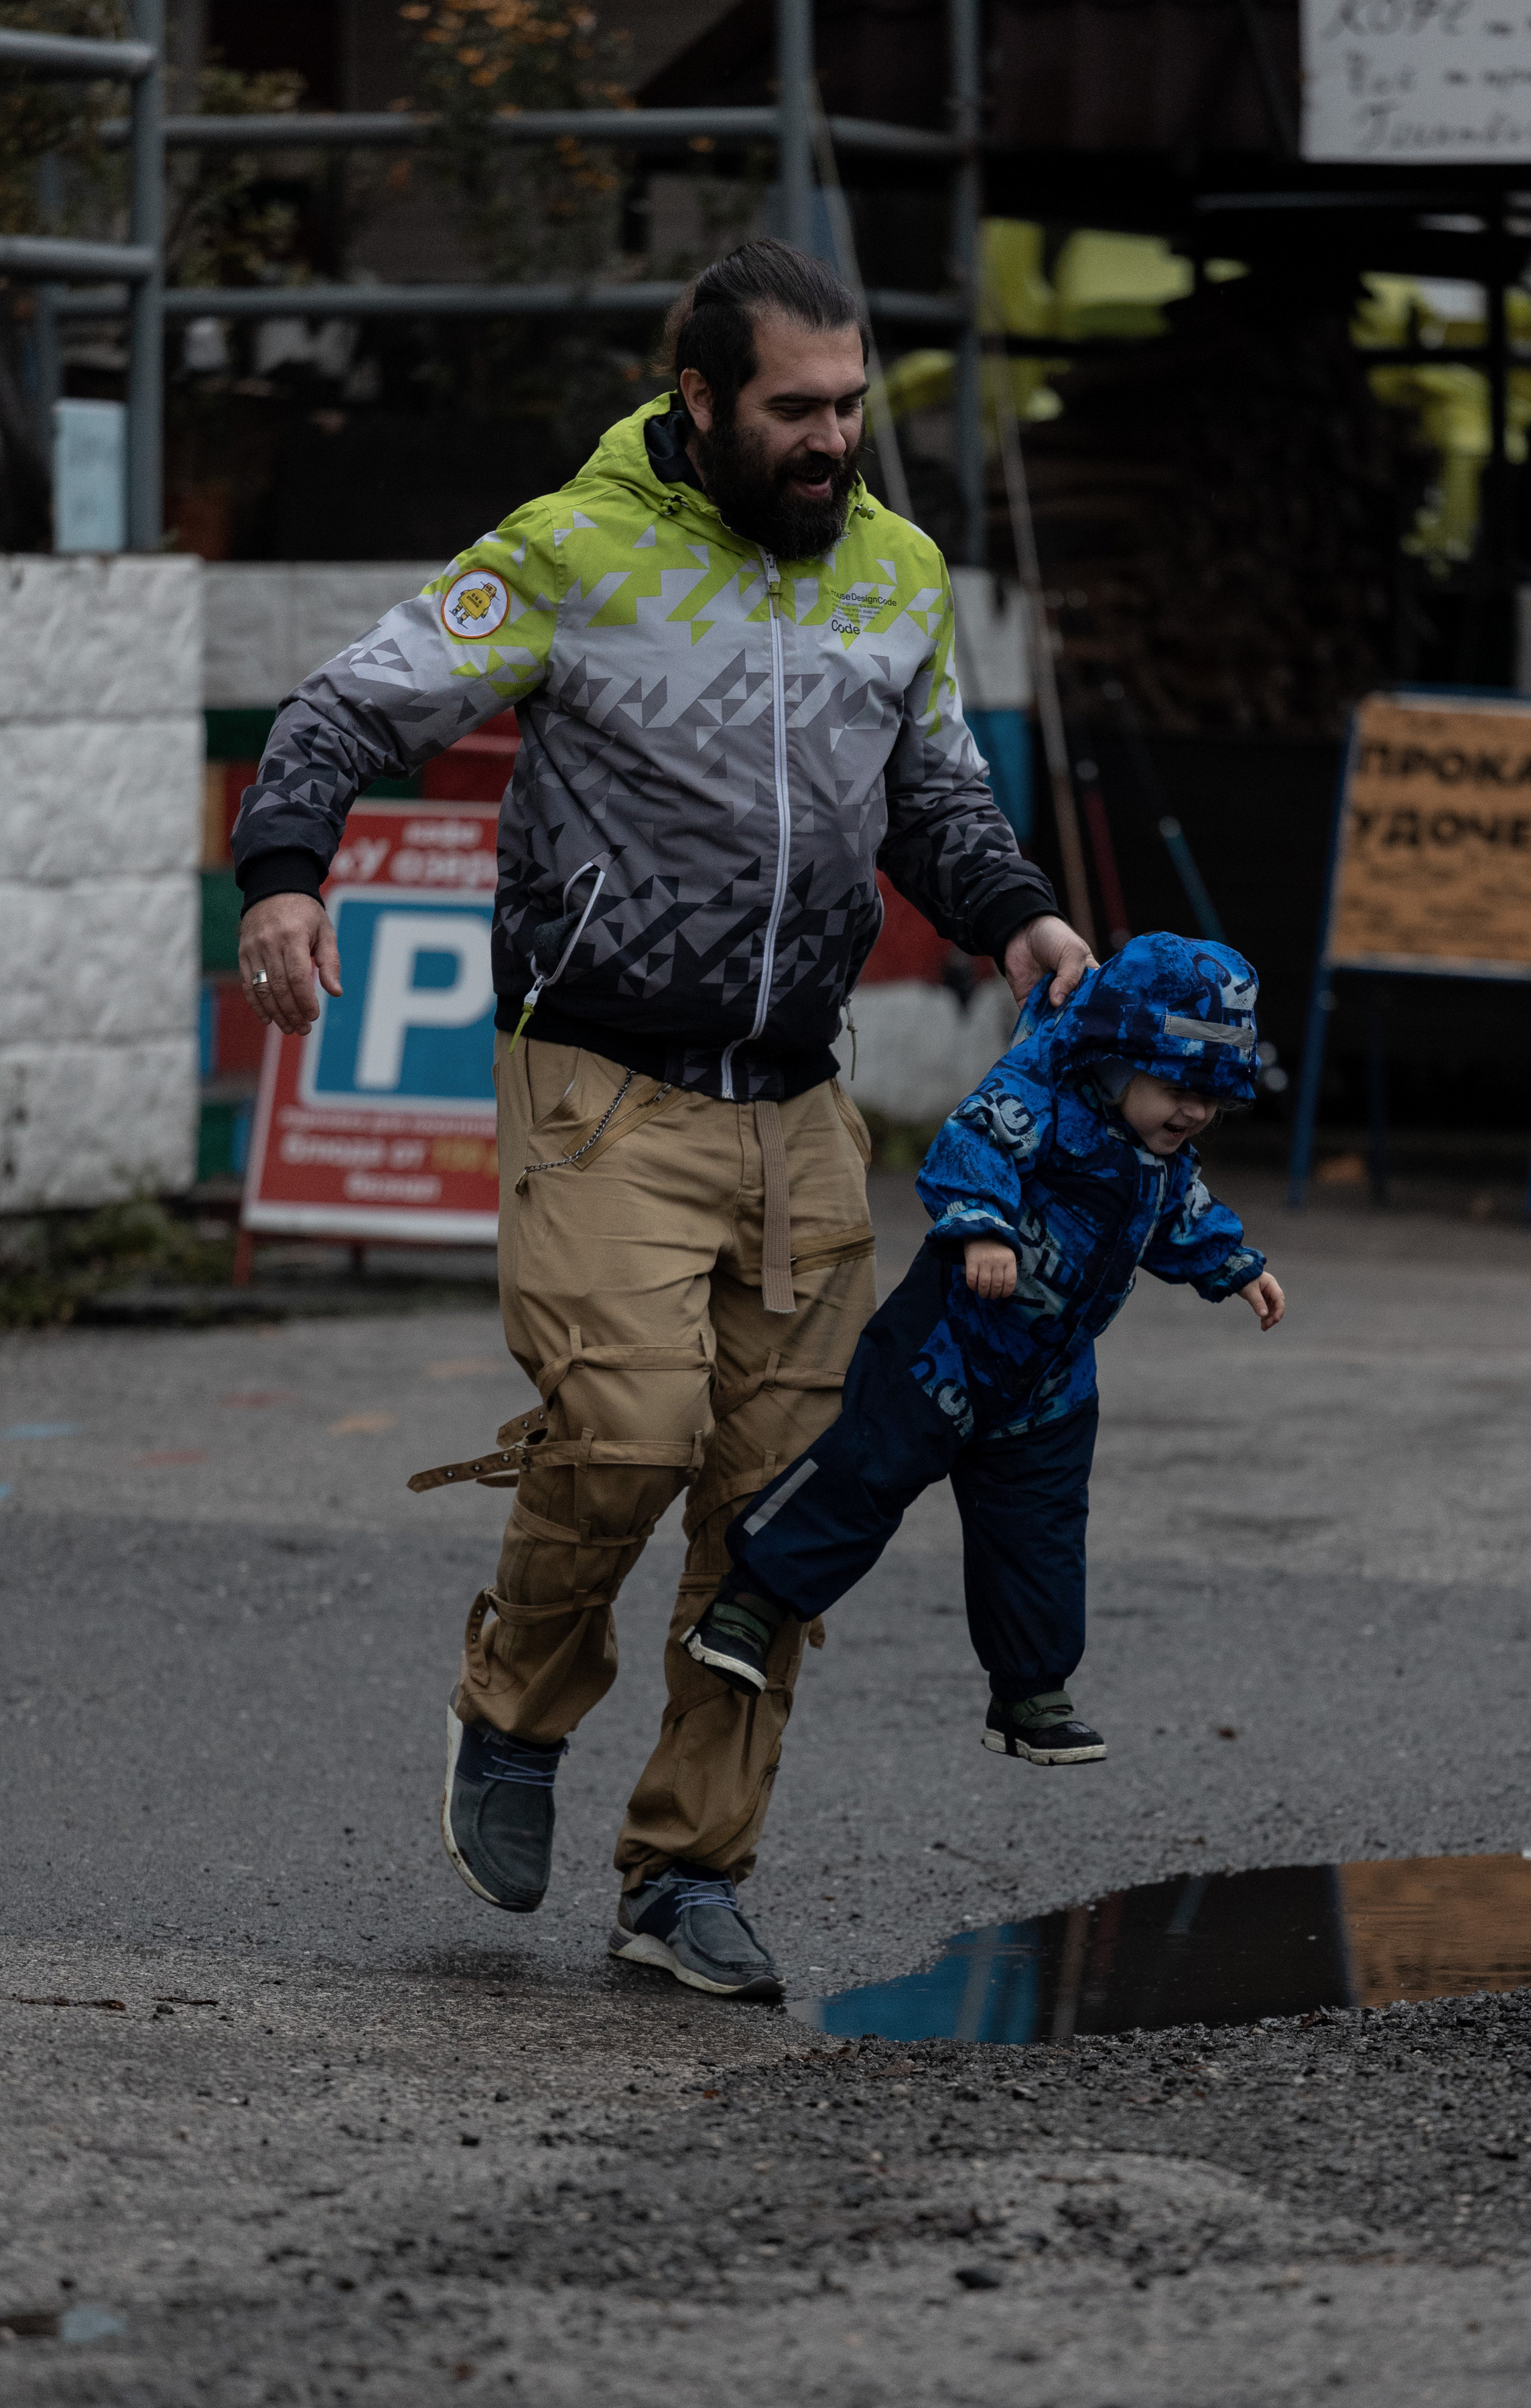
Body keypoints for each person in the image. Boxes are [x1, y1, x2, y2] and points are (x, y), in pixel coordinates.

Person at [230, 239, 1093, 2004]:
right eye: (795, 408)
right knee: (627, 1430)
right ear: (698, 402)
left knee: (781, 1520)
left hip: (801, 1105)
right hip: (600, 1083)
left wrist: (1021, 917)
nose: (831, 440)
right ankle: (515, 1708)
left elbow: (932, 793)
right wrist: (284, 878)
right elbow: (338, 710)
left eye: (850, 405)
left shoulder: (896, 574)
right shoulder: (571, 551)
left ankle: (688, 1872)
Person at [679, 933, 1284, 1771]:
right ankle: (749, 1604)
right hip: (951, 1345)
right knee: (869, 1469)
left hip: (1049, 1382)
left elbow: (1183, 1218)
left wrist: (1234, 1268)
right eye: (1179, 1088)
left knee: (1039, 1532)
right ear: (1113, 1059)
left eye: (1211, 1101)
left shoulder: (1161, 1158)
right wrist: (979, 1229)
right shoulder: (1039, 1094)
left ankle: (1029, 1692)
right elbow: (971, 1146)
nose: (1192, 1113)